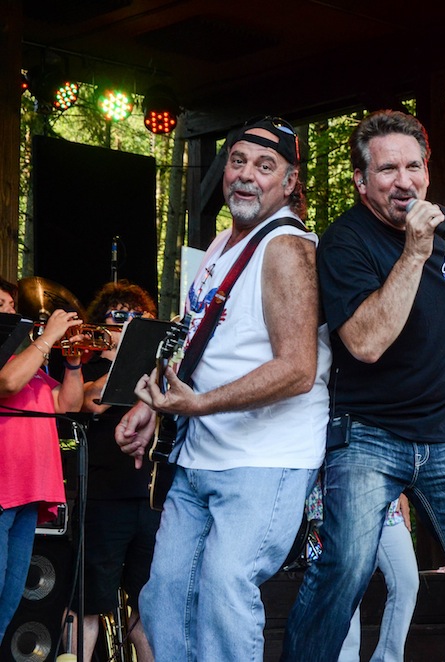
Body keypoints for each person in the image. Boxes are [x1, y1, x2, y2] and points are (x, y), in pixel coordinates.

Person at [281, 109, 445, 660]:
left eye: (414, 167)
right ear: (361, 181)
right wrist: (414, 250)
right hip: (369, 433)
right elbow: (366, 342)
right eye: (387, 169)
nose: (404, 181)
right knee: (343, 571)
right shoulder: (344, 242)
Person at [115, 117, 331, 661]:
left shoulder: (286, 246)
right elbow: (193, 339)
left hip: (264, 459)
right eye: (238, 162)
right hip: (199, 455)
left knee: (223, 591)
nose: (246, 175)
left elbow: (297, 369)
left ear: (289, 182)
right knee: (164, 597)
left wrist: (200, 404)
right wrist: (152, 404)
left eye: (265, 166)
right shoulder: (220, 243)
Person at [65, 281, 158, 661]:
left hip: (151, 499)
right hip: (104, 498)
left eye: (136, 316)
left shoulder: (157, 370)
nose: (127, 321)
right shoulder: (91, 367)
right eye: (118, 316)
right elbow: (92, 401)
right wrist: (133, 353)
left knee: (150, 607)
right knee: (87, 602)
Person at [1, 278, 84, 637]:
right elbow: (7, 384)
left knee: (8, 600)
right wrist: (48, 336)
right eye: (0, 306)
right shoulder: (12, 365)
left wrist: (74, 364)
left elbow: (68, 404)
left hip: (28, 493)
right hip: (3, 489)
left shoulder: (28, 364)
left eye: (10, 306)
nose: (8, 312)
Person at [339, 495, 418, 662]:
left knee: (407, 581)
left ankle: (387, 658)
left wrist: (402, 490)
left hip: (388, 507)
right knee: (348, 587)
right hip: (344, 503)